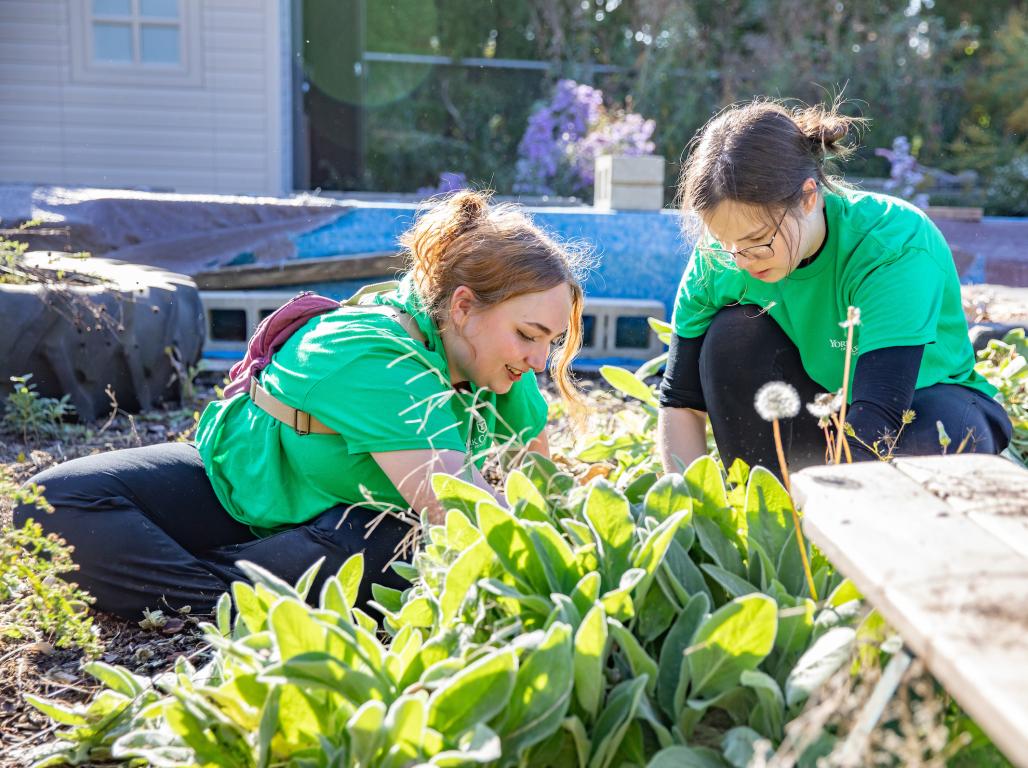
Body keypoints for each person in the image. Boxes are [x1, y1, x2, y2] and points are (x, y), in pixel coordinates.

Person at [14, 191, 586, 619]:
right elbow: (459, 510)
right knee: (52, 503)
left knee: (389, 540)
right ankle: (229, 598)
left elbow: (534, 484)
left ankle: (224, 595)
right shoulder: (370, 353)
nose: (539, 360)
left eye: (550, 343)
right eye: (529, 335)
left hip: (350, 530)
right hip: (239, 487)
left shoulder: (498, 365)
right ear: (463, 306)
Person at [657, 99, 1011, 475]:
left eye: (757, 240)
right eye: (726, 243)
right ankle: (764, 506)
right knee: (732, 334)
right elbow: (680, 401)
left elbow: (878, 411)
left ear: (809, 197)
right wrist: (692, 509)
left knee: (938, 446)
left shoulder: (891, 242)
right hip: (823, 405)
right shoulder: (722, 256)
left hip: (922, 403)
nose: (742, 260)